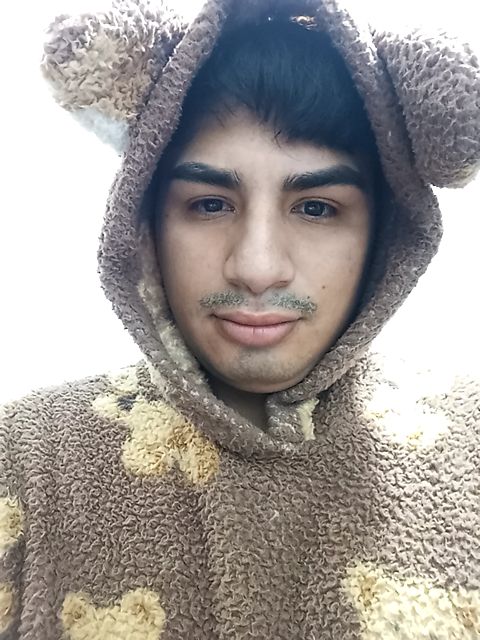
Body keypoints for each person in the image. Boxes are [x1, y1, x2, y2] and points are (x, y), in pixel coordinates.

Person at [1, 0, 479, 638]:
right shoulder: (27, 457)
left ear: (385, 234)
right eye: (209, 204)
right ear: (143, 224)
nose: (257, 268)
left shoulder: (470, 447)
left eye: (315, 208)